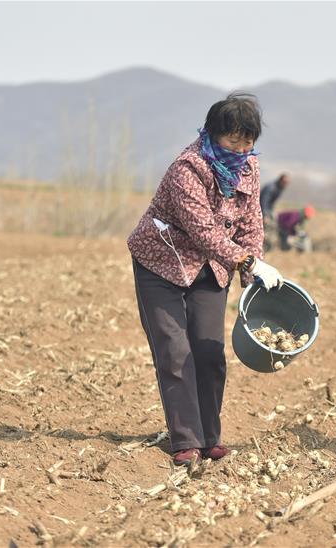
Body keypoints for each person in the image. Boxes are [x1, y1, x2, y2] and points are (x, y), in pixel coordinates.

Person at [127, 92, 285, 469]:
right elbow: (204, 232)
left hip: (211, 270)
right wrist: (244, 259)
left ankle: (210, 437)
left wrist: (253, 268)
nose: (241, 148)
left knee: (210, 353)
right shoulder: (188, 167)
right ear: (213, 134)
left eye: (248, 141)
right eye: (233, 139)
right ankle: (185, 440)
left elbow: (251, 222)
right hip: (162, 263)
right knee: (175, 351)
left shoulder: (248, 168)